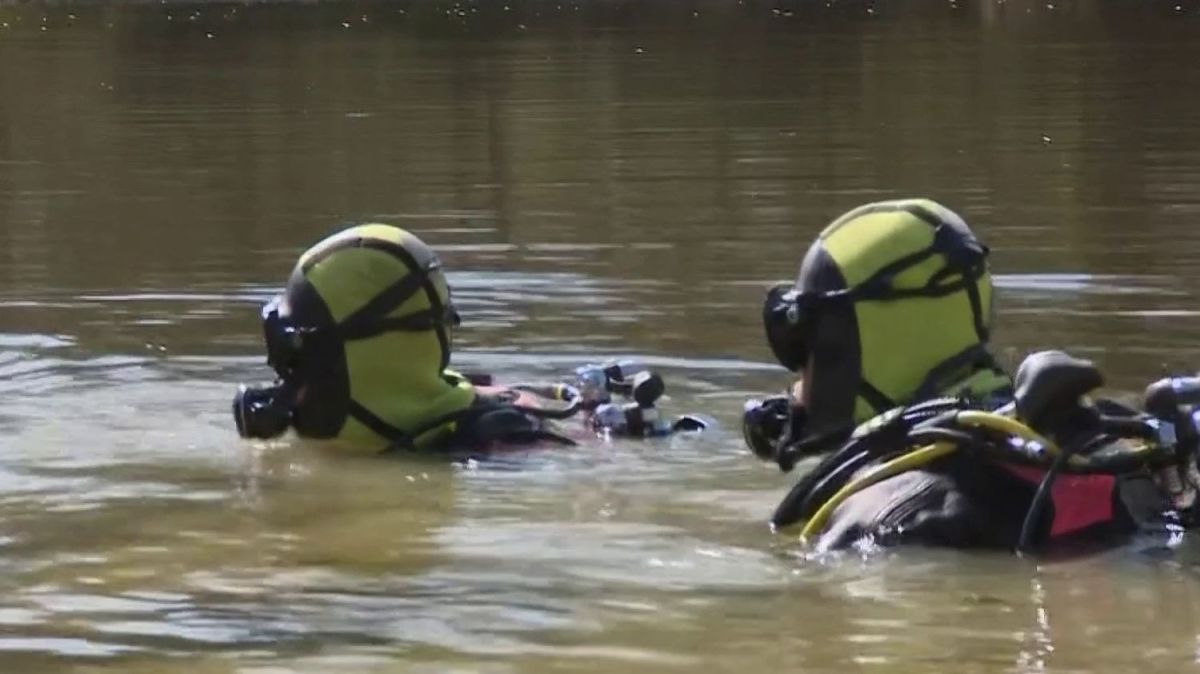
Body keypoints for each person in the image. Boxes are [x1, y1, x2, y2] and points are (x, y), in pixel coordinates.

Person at [744, 199, 1196, 553]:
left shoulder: (884, 521)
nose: (799, 378)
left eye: (800, 345)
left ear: (844, 346)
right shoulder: (1114, 443)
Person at [232, 223, 706, 455]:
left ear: (361, 356)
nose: (283, 372)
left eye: (294, 351)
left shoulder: (487, 445)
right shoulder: (432, 407)